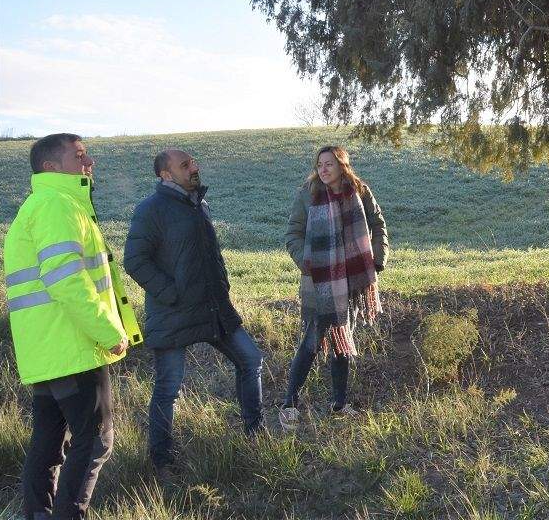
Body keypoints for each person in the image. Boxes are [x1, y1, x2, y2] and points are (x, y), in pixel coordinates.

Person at [4, 133, 141, 520]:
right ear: (51, 167)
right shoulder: (57, 205)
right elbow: (66, 279)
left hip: (49, 352)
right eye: (79, 155)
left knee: (48, 446)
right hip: (72, 347)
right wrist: (107, 331)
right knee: (96, 441)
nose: (89, 162)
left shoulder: (42, 204)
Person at [123, 148, 263, 471]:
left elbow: (211, 253)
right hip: (172, 312)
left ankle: (255, 436)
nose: (194, 167)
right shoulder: (151, 209)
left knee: (251, 359)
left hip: (213, 307)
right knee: (169, 387)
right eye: (185, 164)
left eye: (194, 161)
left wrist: (223, 283)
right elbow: (134, 260)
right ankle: (161, 460)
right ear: (166, 175)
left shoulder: (199, 204)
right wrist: (170, 293)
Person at [279, 145, 387, 428]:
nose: (323, 169)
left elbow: (377, 224)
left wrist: (376, 261)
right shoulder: (307, 195)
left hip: (351, 280)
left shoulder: (360, 192)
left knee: (343, 340)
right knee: (311, 342)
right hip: (319, 280)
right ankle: (289, 404)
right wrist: (306, 261)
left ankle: (339, 404)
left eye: (328, 164)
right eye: (319, 164)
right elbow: (293, 233)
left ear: (341, 165)